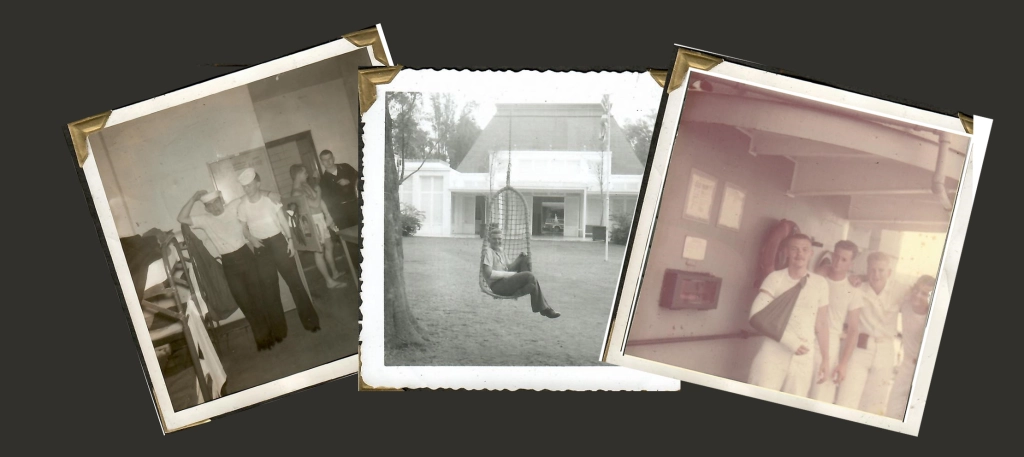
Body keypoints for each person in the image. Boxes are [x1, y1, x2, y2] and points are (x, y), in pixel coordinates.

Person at [177, 190, 278, 351]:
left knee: (258, 297)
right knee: (244, 302)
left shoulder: (233, 207)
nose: (214, 207)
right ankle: (261, 337)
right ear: (206, 208)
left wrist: (269, 194)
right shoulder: (205, 219)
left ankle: (269, 332)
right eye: (209, 205)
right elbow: (181, 218)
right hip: (229, 265)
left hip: (246, 257)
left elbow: (251, 194)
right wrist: (194, 197)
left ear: (222, 199)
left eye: (216, 202)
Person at [236, 168, 321, 334]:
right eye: (244, 187)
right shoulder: (242, 206)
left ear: (258, 184)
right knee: (269, 289)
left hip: (279, 242)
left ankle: (311, 322)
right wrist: (251, 239)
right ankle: (279, 329)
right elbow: (243, 228)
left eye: (250, 185)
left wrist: (290, 240)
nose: (247, 189)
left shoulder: (270, 201)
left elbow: (283, 221)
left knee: (295, 282)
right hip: (261, 247)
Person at [747, 233, 830, 397]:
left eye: (805, 250)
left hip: (804, 354)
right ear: (786, 252)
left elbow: (821, 324)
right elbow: (756, 317)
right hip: (774, 349)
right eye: (794, 249)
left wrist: (826, 359)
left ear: (811, 253)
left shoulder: (820, 283)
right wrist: (790, 341)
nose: (799, 254)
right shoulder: (775, 278)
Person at [834, 251, 911, 415]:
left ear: (889, 272)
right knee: (847, 398)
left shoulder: (900, 289)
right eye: (872, 270)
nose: (876, 274)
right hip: (859, 348)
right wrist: (857, 277)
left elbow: (922, 292)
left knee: (875, 403)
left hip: (885, 349)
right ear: (867, 270)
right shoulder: (857, 287)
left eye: (881, 270)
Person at [808, 240, 864, 403]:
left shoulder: (854, 290)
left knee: (820, 398)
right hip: (805, 335)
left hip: (829, 344)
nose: (838, 262)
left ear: (851, 263)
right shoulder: (818, 276)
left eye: (844, 259)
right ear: (832, 255)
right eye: (836, 257)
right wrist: (822, 270)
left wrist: (843, 363)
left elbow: (853, 330)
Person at [885, 275, 935, 420]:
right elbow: (893, 283)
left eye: (924, 293)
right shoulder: (906, 304)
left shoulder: (933, 317)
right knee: (893, 411)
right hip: (907, 367)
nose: (918, 295)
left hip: (924, 371)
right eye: (917, 290)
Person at [289, 164, 345, 290]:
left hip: (320, 218)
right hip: (312, 222)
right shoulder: (296, 192)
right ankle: (329, 281)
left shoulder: (305, 185)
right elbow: (314, 203)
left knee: (329, 245)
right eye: (304, 173)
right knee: (319, 252)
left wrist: (327, 215)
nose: (307, 175)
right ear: (298, 174)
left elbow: (319, 201)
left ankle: (335, 273)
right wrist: (319, 191)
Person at [482, 227, 560, 318]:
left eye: (499, 239)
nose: (497, 241)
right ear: (489, 239)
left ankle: (542, 306)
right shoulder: (488, 252)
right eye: (494, 239)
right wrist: (512, 275)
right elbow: (489, 274)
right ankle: (543, 307)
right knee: (530, 277)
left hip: (506, 282)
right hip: (498, 286)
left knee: (525, 260)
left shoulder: (500, 250)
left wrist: (519, 258)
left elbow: (508, 267)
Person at [318, 149, 360, 231]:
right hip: (341, 213)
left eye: (329, 158)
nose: (328, 161)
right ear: (321, 162)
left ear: (333, 158)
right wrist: (332, 218)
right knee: (349, 238)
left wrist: (349, 181)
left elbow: (360, 178)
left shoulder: (345, 167)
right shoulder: (323, 181)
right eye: (325, 160)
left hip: (355, 206)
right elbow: (327, 202)